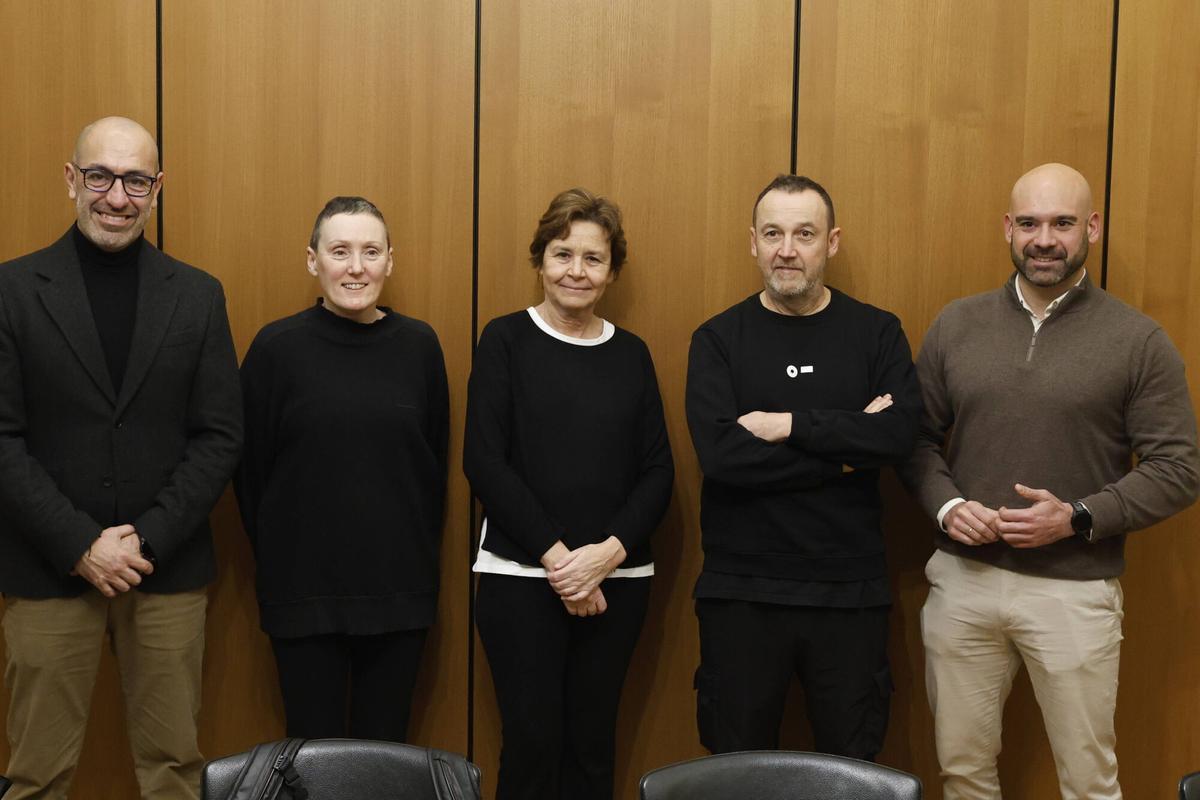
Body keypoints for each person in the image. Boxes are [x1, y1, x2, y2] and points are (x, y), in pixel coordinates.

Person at [900, 162, 1200, 799]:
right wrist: (949, 505)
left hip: (1074, 593)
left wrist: (1079, 516)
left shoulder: (1137, 340)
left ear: (1092, 227)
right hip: (964, 583)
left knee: (1089, 783)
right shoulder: (957, 325)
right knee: (962, 773)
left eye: (1063, 223)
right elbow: (914, 440)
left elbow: (1180, 467)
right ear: (1007, 228)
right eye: (1030, 223)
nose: (1045, 239)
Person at [0, 116, 242, 799]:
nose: (116, 196)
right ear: (71, 179)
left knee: (172, 770)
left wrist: (148, 537)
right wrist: (79, 542)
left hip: (163, 571)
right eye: (101, 176)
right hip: (48, 568)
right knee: (36, 776)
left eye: (136, 180)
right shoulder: (11, 291)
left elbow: (220, 434)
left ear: (157, 188)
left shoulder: (198, 295)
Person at [685, 174, 921, 760]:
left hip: (850, 595)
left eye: (804, 234)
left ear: (832, 242)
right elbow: (722, 457)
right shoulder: (718, 339)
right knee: (737, 778)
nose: (786, 249)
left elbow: (896, 435)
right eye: (773, 233)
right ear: (753, 242)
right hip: (742, 593)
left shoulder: (877, 333)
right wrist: (847, 454)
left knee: (850, 776)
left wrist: (789, 425)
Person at [464, 187, 673, 800]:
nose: (576, 271)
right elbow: (484, 461)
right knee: (531, 749)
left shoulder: (632, 355)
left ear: (611, 272)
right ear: (540, 260)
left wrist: (604, 557)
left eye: (592, 258)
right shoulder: (504, 340)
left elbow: (658, 472)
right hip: (521, 580)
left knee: (591, 749)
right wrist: (562, 564)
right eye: (562, 254)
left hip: (619, 584)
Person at [235, 196, 448, 742]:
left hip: (398, 594)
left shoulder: (420, 347)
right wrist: (287, 558)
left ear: (389, 262)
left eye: (370, 251)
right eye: (340, 251)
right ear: (313, 261)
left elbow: (433, 469)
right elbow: (250, 473)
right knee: (313, 762)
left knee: (384, 760)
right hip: (303, 595)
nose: (356, 267)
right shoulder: (275, 348)